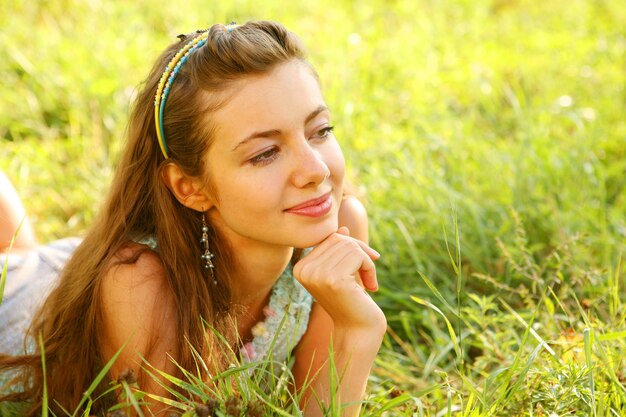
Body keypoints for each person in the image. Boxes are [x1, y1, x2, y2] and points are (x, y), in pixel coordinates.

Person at [0, 21, 386, 416]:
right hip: (16, 304)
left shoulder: (338, 231)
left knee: (23, 251)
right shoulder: (140, 283)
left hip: (62, 268)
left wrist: (358, 331)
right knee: (14, 260)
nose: (316, 170)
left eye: (319, 130)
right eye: (265, 153)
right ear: (191, 188)